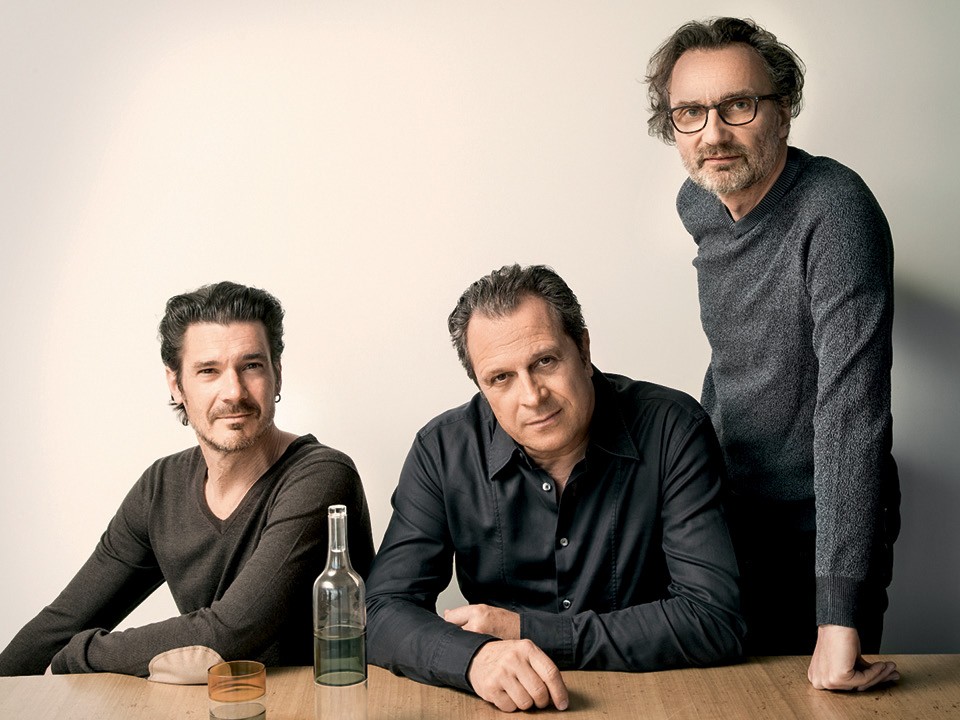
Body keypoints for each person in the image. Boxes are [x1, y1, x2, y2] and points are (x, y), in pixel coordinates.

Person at [645, 17, 900, 691]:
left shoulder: (835, 212)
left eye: (738, 105)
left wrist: (838, 614)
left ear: (783, 110)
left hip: (821, 522)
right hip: (726, 511)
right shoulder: (700, 202)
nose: (713, 135)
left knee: (808, 697)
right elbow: (738, 349)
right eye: (690, 113)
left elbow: (853, 409)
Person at [366, 264, 744, 713]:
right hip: (507, 705)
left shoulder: (672, 430)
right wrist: (476, 659)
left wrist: (527, 632)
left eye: (544, 362)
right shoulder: (442, 451)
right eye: (501, 378)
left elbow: (713, 618)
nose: (532, 396)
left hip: (658, 701)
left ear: (583, 349)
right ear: (481, 386)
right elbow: (380, 612)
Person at [0, 281, 374, 681]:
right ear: (176, 385)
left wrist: (79, 656)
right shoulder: (161, 488)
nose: (234, 392)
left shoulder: (321, 476)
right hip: (218, 704)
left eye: (251, 366)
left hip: (320, 702)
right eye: (208, 371)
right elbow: (63, 622)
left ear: (277, 375)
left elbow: (230, 634)